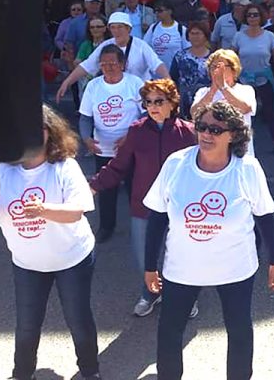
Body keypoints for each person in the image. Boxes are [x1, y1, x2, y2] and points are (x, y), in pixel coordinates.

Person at [143, 100, 274, 379]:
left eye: (215, 130)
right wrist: (149, 266)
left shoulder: (247, 168)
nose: (206, 134)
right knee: (169, 332)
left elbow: (266, 217)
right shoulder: (176, 164)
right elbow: (157, 217)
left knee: (239, 331)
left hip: (235, 269)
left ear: (233, 134)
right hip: (182, 270)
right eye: (202, 127)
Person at [0, 105, 101, 380]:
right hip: (28, 264)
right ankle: (22, 374)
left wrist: (43, 210)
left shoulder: (65, 167)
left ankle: (90, 372)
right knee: (27, 325)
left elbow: (76, 211)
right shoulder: (4, 171)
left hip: (72, 259)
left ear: (50, 132)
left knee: (78, 321)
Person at [90, 79, 196, 317]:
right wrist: (94, 186)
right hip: (143, 206)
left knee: (179, 258)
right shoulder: (137, 131)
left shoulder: (188, 132)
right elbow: (118, 166)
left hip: (179, 208)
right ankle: (151, 294)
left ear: (172, 103)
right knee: (144, 259)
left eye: (159, 101)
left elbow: (202, 168)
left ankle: (185, 298)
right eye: (148, 102)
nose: (153, 106)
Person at [78, 45, 144, 242]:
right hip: (103, 149)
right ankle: (106, 227)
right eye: (104, 64)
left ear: (122, 64)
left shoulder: (135, 83)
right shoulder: (94, 86)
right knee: (106, 191)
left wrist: (130, 137)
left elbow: (147, 115)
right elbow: (85, 117)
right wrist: (86, 138)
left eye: (112, 63)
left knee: (136, 190)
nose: (108, 67)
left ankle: (139, 230)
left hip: (131, 149)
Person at [56, 12, 169, 102]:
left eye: (120, 27)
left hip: (139, 94)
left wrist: (169, 83)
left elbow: (157, 64)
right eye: (113, 27)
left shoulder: (141, 45)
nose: (116, 31)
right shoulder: (106, 45)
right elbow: (87, 65)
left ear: (128, 29)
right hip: (115, 92)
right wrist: (67, 82)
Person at [232, 4, 274, 156]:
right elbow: (231, 58)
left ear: (261, 17)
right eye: (249, 15)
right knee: (239, 113)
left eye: (255, 15)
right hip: (244, 79)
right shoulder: (238, 36)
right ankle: (238, 144)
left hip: (263, 78)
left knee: (269, 111)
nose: (252, 18)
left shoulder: (269, 36)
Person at [192, 49, 257, 157]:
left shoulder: (246, 90)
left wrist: (223, 87)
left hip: (240, 153)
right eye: (213, 67)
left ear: (233, 69)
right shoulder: (203, 92)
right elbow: (194, 113)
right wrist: (213, 90)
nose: (216, 71)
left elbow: (245, 108)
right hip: (211, 154)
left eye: (221, 67)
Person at [62, 16, 111, 108]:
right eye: (92, 27)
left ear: (105, 28)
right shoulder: (85, 44)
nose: (95, 29)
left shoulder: (111, 44)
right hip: (87, 80)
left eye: (98, 27)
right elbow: (78, 61)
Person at [169, 21, 212, 118]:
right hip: (184, 101)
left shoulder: (214, 57)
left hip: (207, 100)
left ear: (205, 36)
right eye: (192, 33)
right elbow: (173, 79)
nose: (195, 36)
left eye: (198, 33)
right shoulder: (180, 56)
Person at [143, 0, 188, 71]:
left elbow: (187, 50)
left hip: (175, 72)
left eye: (160, 11)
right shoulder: (153, 27)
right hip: (156, 73)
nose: (157, 13)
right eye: (156, 11)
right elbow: (145, 46)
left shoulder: (181, 29)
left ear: (170, 11)